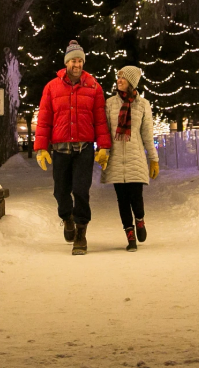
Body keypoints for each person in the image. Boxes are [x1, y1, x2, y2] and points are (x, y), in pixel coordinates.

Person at [34, 39, 112, 255]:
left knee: (81, 190)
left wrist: (103, 147)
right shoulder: (51, 87)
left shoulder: (94, 87)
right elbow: (44, 119)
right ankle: (66, 217)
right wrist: (41, 148)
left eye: (80, 61)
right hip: (60, 149)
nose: (77, 65)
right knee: (60, 191)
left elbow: (100, 120)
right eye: (73, 61)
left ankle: (81, 232)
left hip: (83, 149)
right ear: (66, 63)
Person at [101, 65, 159, 251]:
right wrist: (103, 152)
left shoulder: (143, 105)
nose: (119, 80)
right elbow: (106, 133)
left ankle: (140, 220)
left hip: (135, 158)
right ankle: (130, 235)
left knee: (136, 197)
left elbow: (147, 135)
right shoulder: (110, 103)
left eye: (123, 78)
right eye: (118, 77)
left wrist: (154, 158)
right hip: (116, 159)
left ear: (132, 82)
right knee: (122, 200)